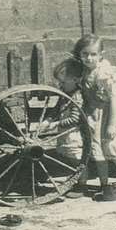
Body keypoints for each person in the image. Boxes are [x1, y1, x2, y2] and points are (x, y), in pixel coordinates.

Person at [73, 34, 116, 199]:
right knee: (98, 154)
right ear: (80, 55)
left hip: (109, 115)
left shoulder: (104, 73)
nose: (89, 58)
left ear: (101, 54)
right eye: (85, 54)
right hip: (93, 116)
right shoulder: (84, 71)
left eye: (93, 54)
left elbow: (115, 101)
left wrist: (111, 124)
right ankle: (104, 184)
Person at [48, 57, 91, 199]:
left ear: (75, 80)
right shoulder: (66, 94)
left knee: (78, 159)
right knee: (70, 158)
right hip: (66, 133)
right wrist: (49, 119)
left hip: (74, 133)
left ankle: (82, 185)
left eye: (63, 82)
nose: (60, 85)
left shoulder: (77, 96)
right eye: (59, 82)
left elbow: (75, 119)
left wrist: (56, 124)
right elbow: (56, 110)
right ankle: (76, 180)